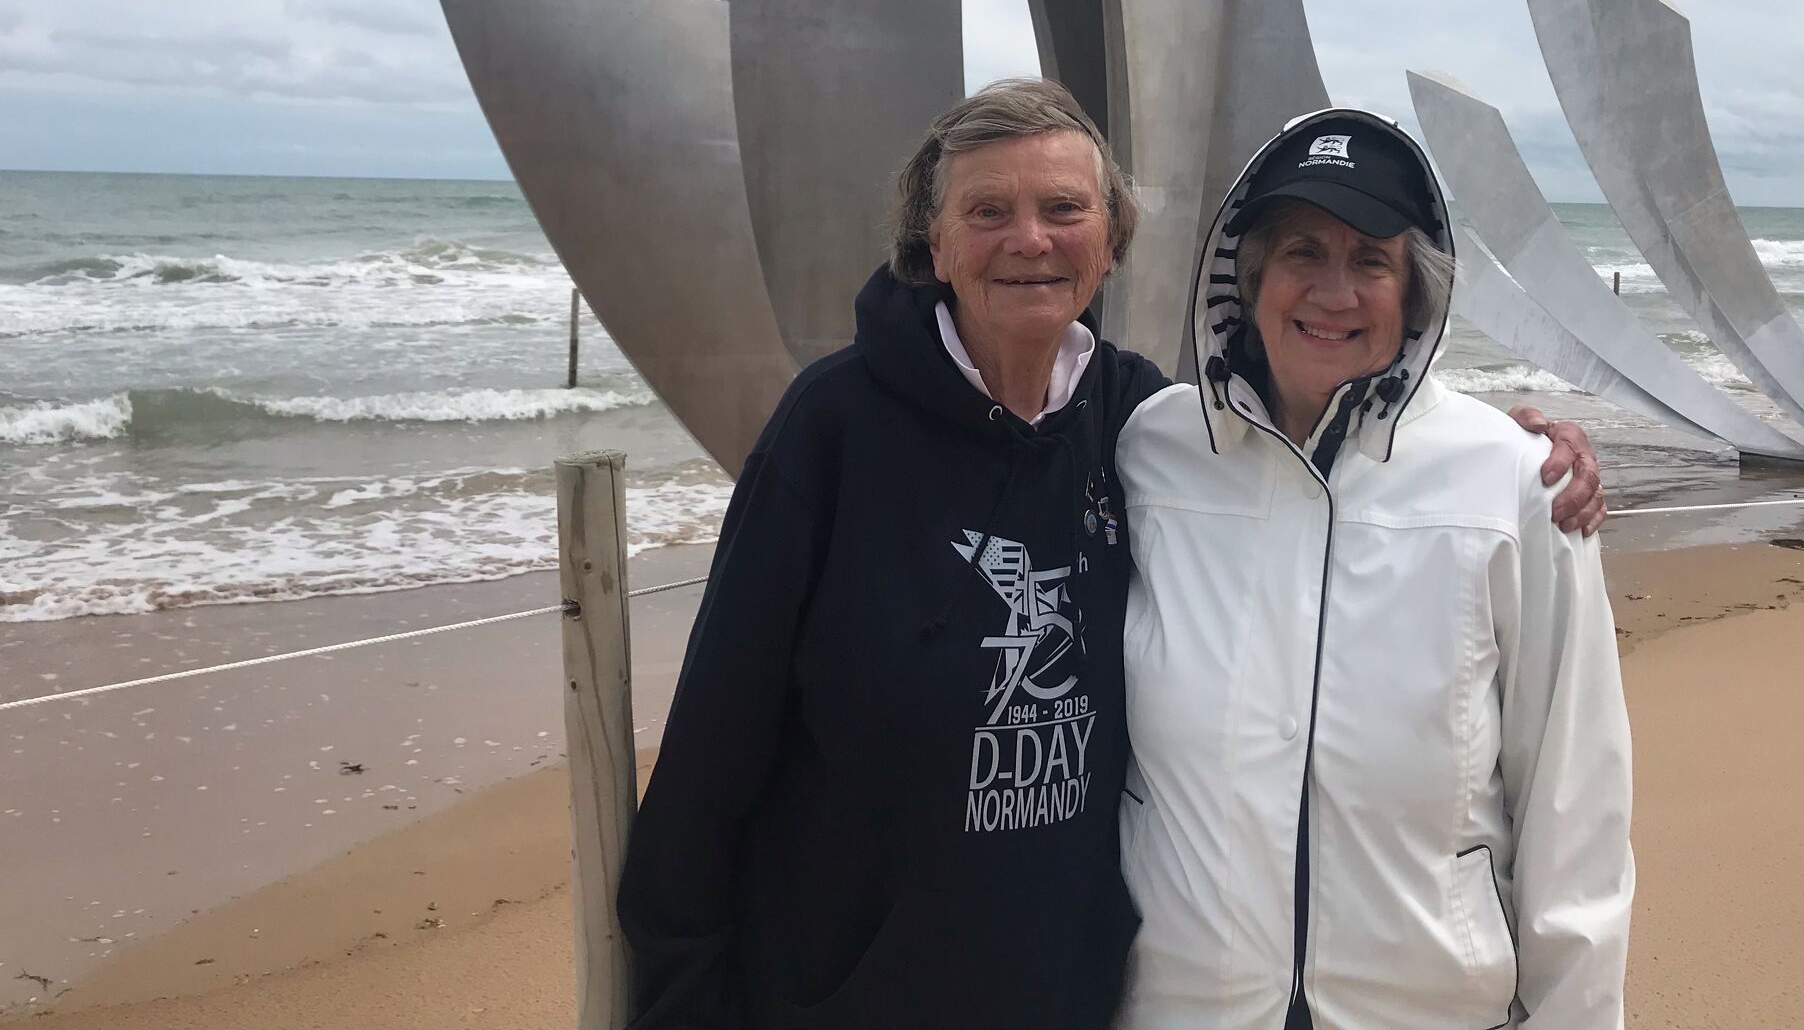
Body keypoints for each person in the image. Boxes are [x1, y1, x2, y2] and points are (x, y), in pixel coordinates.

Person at [616, 80, 1608, 1030]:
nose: (1029, 240)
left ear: (1111, 237)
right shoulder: (850, 433)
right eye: (987, 211)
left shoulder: (1147, 427)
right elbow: (711, 756)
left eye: (1061, 207)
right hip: (876, 1002)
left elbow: (1573, 817)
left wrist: (1517, 452)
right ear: (933, 236)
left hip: (1095, 1003)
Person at [1115, 108, 1635, 1030]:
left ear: (1417, 293)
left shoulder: (1520, 482)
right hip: (1185, 1008)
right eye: (1302, 253)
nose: (1334, 291)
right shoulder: (1151, 452)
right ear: (1250, 277)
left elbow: (1575, 805)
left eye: (1370, 261)